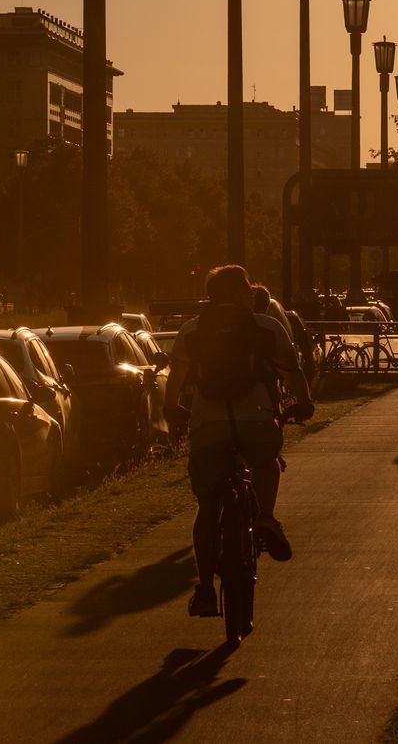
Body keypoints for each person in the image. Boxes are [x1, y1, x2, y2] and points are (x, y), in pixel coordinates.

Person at [165, 265, 314, 618]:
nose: (251, 294)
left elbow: (176, 378)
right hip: (256, 418)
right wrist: (303, 403)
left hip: (207, 423)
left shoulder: (192, 330)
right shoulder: (266, 326)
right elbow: (291, 370)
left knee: (207, 506)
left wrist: (172, 410)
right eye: (246, 289)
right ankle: (266, 518)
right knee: (266, 462)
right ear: (237, 293)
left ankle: (205, 590)